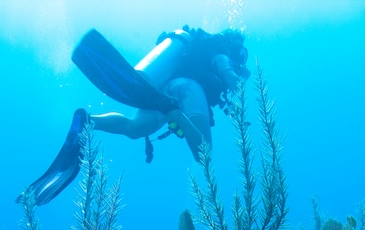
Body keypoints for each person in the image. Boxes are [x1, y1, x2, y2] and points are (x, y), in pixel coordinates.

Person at [20, 26, 250, 207]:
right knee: (204, 155)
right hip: (189, 89)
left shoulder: (195, 48)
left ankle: (90, 121)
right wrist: (242, 79)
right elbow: (231, 79)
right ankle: (173, 112)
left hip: (162, 89)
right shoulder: (222, 53)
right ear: (234, 46)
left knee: (134, 128)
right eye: (242, 54)